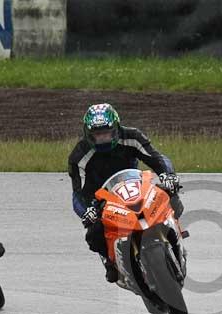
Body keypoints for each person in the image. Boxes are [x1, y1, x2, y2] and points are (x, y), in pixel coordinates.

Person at [67, 103, 183, 283]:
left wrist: (167, 176)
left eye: (106, 133)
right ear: (88, 134)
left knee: (169, 195)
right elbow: (78, 192)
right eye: (97, 135)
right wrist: (87, 210)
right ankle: (109, 261)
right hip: (102, 198)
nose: (103, 139)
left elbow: (156, 158)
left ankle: (173, 227)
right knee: (94, 231)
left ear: (116, 129)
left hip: (134, 186)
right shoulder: (79, 155)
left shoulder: (132, 136)